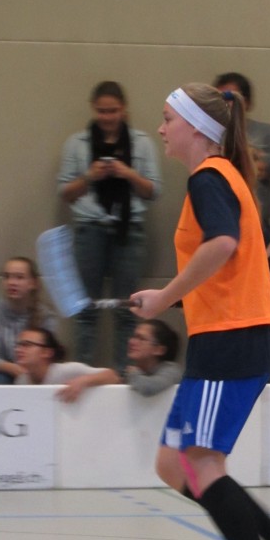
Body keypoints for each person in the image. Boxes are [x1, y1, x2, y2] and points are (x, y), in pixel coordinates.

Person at [131, 82, 270, 540]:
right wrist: (180, 298)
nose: (161, 128)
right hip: (221, 336)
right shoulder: (226, 176)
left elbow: (222, 244)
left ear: (195, 127)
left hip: (231, 339)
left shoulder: (210, 177)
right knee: (174, 464)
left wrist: (163, 298)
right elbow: (237, 258)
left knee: (201, 464)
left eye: (167, 118)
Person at [58, 80, 162, 371]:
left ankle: (123, 377)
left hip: (129, 230)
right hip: (89, 228)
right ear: (93, 109)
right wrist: (90, 176)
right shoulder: (77, 144)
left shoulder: (142, 143)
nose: (107, 117)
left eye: (113, 111)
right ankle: (81, 373)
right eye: (102, 111)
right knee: (85, 309)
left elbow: (153, 191)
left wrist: (127, 173)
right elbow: (65, 192)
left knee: (127, 309)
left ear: (124, 109)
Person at [213, 72, 270, 285]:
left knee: (260, 293)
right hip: (219, 229)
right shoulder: (209, 134)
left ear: (246, 102)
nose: (225, 103)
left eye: (231, 97)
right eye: (220, 98)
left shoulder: (266, 132)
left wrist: (249, 158)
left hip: (258, 229)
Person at [0, 256, 56, 384]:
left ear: (33, 283)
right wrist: (17, 371)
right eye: (7, 277)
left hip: (35, 373)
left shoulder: (45, 316)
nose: (11, 282)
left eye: (19, 277)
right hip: (1, 374)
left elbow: (47, 356)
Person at [14, 327, 120, 402]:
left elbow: (113, 376)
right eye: (18, 345)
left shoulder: (69, 370)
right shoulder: (21, 380)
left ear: (47, 352)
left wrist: (83, 381)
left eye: (26, 345)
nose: (18, 350)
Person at [124, 319, 182, 397]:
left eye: (141, 339)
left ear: (159, 350)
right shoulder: (137, 371)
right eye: (134, 337)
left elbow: (149, 388)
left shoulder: (172, 370)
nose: (131, 342)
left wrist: (133, 374)